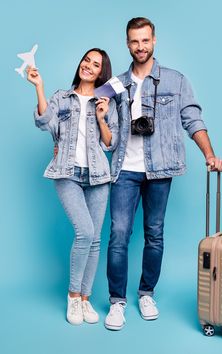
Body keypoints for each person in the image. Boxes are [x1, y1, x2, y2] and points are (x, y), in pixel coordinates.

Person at [104, 17, 222, 331]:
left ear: (154, 40)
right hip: (124, 169)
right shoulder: (116, 84)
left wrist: (209, 155)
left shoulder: (176, 80)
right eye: (134, 41)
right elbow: (88, 106)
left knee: (154, 234)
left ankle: (146, 293)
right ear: (127, 43)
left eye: (145, 40)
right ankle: (116, 301)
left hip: (160, 168)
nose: (140, 47)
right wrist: (61, 140)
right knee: (119, 234)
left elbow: (193, 120)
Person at [27, 48, 118, 326]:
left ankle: (86, 299)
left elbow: (109, 144)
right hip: (67, 173)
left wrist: (102, 117)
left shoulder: (106, 102)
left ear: (101, 72)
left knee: (96, 239)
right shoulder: (61, 97)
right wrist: (39, 87)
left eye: (95, 64)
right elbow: (44, 122)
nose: (88, 66)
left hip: (99, 176)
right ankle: (73, 295)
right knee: (85, 232)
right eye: (86, 60)